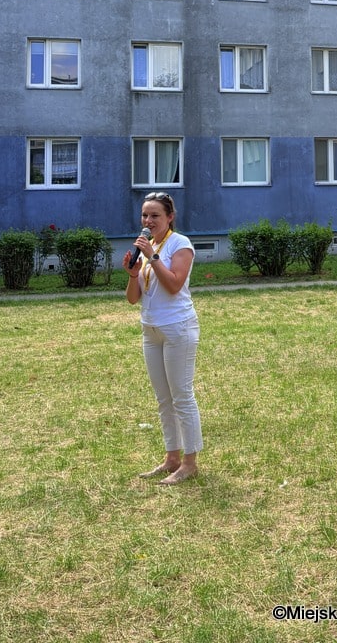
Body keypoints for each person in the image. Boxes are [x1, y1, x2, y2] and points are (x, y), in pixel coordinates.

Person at [123, 191, 202, 485]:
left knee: (182, 395)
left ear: (170, 217)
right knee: (163, 398)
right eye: (145, 215)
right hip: (151, 329)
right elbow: (133, 299)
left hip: (178, 328)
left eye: (155, 215)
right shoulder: (148, 249)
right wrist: (133, 274)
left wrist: (152, 258)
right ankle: (172, 458)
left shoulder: (180, 244)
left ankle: (190, 463)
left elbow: (174, 285)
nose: (148, 221)